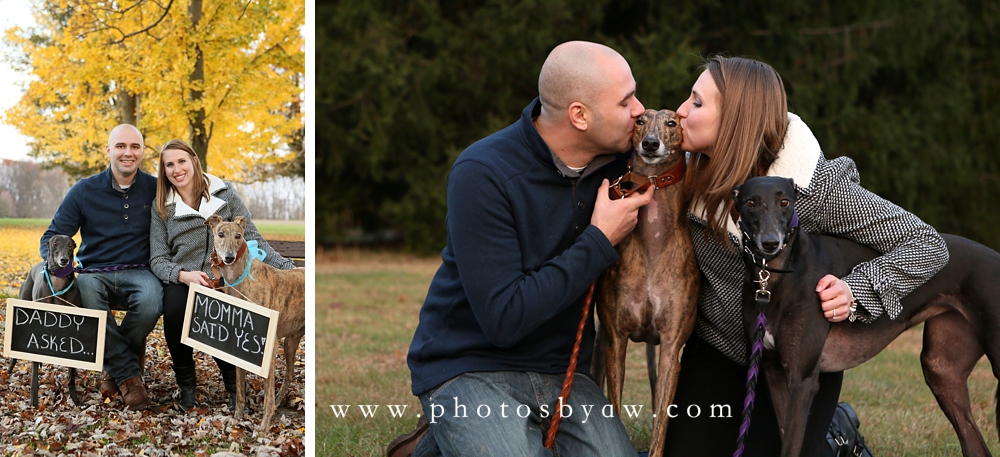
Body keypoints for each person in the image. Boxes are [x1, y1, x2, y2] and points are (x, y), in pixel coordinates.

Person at [660, 56, 950, 456]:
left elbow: (925, 243)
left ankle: (835, 433)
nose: (680, 111)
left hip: (794, 356)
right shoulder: (681, 174)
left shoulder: (815, 189)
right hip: (719, 348)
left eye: (696, 103)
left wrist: (858, 288)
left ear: (736, 122)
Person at [398, 41, 654, 456]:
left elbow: (688, 159)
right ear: (579, 116)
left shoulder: (621, 168)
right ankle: (442, 437)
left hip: (562, 374)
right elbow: (504, 318)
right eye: (626, 100)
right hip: (470, 368)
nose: (641, 109)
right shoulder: (482, 173)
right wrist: (599, 239)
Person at [148, 139, 296, 411]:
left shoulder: (225, 194)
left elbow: (254, 240)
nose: (177, 169)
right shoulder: (162, 207)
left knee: (228, 311)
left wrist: (292, 270)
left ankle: (234, 387)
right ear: (164, 170)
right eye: (169, 165)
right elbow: (157, 258)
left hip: (229, 278)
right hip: (184, 278)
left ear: (194, 160)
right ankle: (187, 386)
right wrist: (182, 275)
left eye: (182, 161)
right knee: (175, 308)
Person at [40, 124, 163, 410]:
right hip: (94, 272)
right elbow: (52, 236)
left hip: (140, 270)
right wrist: (58, 269)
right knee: (85, 290)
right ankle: (129, 376)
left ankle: (115, 368)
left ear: (143, 151)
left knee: (152, 298)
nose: (128, 153)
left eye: (135, 147)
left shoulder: (157, 189)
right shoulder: (84, 190)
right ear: (108, 150)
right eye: (121, 146)